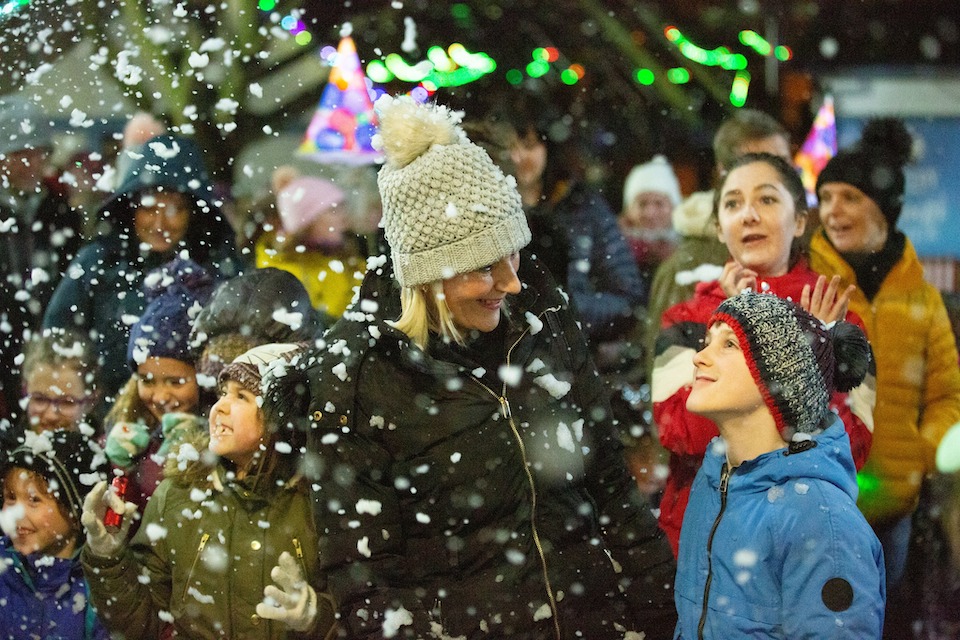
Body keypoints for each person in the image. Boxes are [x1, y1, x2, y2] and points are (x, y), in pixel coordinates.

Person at [283, 94, 676, 639]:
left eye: (512, 254)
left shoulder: (541, 315)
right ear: (425, 276)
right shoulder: (359, 373)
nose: (511, 282)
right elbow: (365, 578)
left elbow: (609, 488)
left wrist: (657, 618)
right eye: (485, 268)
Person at [651, 152, 875, 556]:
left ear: (801, 220)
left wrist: (817, 348)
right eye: (733, 203)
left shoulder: (839, 319)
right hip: (699, 539)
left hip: (799, 541)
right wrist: (736, 326)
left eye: (767, 199)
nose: (749, 214)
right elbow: (678, 430)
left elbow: (852, 446)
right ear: (719, 228)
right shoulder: (685, 319)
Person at [810, 118, 960, 637]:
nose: (832, 210)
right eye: (826, 196)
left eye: (848, 196)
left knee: (887, 622)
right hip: (819, 506)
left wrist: (920, 454)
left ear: (885, 206)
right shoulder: (805, 279)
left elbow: (948, 395)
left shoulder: (921, 293)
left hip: (895, 511)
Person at [81, 343, 337, 639]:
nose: (220, 407)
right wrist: (107, 558)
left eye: (242, 396)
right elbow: (141, 624)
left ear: (284, 418)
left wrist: (316, 618)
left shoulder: (319, 502)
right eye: (222, 394)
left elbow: (363, 611)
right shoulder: (177, 494)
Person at [674, 291, 884, 638]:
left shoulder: (821, 520)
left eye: (729, 345)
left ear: (780, 380)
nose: (700, 358)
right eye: (707, 342)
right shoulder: (713, 480)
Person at [42, 133, 242, 404]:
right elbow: (58, 337)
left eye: (175, 209)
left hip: (192, 421)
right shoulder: (98, 261)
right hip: (105, 416)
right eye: (149, 208)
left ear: (193, 213)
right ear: (131, 208)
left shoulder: (218, 269)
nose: (160, 222)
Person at [503, 98, 644, 345]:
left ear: (547, 147)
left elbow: (626, 296)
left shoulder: (583, 207)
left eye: (528, 145)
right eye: (509, 147)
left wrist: (562, 310)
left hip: (574, 352)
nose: (518, 157)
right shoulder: (485, 210)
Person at [101, 257, 214, 518]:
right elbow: (116, 526)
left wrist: (198, 457)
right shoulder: (122, 431)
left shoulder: (225, 441)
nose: (161, 397)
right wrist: (120, 470)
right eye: (147, 381)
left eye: (176, 382)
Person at [0, 94, 84, 423]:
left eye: (37, 153)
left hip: (51, 342)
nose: (31, 163)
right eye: (20, 154)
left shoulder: (61, 211)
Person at [0, 429, 110, 639]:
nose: (15, 513)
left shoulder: (97, 589)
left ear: (75, 513)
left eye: (34, 500)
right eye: (10, 497)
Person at [255, 168, 366, 321]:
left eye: (342, 208)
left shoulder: (349, 259)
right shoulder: (284, 276)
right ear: (307, 222)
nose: (344, 219)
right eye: (333, 211)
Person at [16, 328, 100, 439]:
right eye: (39, 399)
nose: (51, 416)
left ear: (91, 401)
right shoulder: (5, 451)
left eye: (67, 402)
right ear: (25, 391)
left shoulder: (111, 451)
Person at [619, 154, 682, 296]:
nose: (650, 213)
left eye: (659, 204)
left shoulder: (688, 247)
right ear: (628, 209)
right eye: (642, 204)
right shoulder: (615, 248)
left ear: (674, 207)